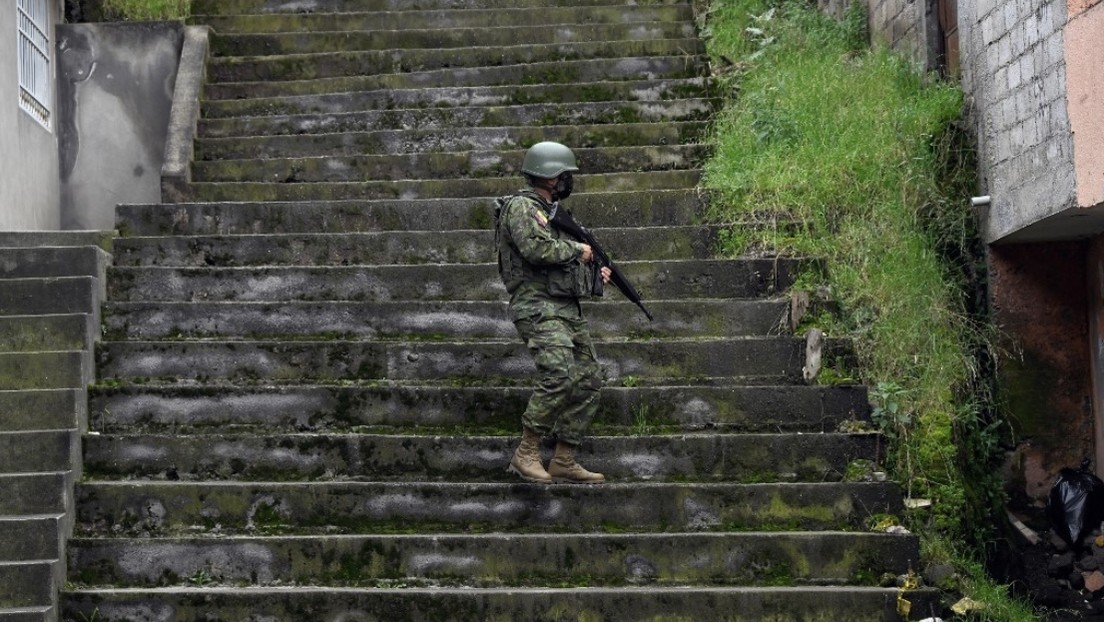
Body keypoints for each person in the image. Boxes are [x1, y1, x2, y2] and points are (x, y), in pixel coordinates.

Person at [494, 141, 612, 484]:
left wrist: (595, 275)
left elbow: (564, 270)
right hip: (536, 306)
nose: (567, 180)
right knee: (559, 374)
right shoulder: (521, 207)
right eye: (564, 174)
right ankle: (526, 453)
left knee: (589, 379)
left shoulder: (557, 215)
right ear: (548, 176)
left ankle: (564, 458)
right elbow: (535, 249)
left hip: (565, 308)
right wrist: (578, 250)